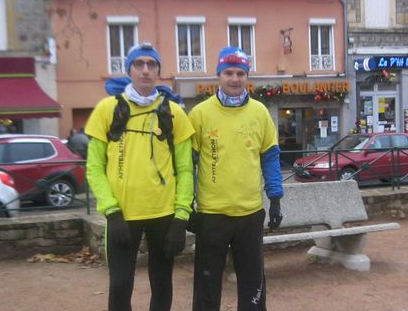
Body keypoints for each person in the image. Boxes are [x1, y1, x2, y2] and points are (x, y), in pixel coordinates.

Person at [85, 43, 195, 311]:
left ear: (158, 71)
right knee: (121, 286)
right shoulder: (107, 109)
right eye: (139, 64)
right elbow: (94, 167)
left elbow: (185, 169)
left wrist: (181, 218)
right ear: (130, 70)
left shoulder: (174, 112)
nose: (145, 70)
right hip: (122, 216)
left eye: (151, 65)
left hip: (164, 215)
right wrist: (111, 211)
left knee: (161, 282)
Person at [188, 46, 284, 311]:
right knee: (207, 288)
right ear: (218, 75)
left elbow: (271, 157)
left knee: (253, 285)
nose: (234, 79)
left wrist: (275, 198)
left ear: (247, 76)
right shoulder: (200, 114)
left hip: (249, 213)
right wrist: (186, 206)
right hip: (211, 215)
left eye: (240, 73)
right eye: (228, 72)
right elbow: (188, 165)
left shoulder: (260, 112)